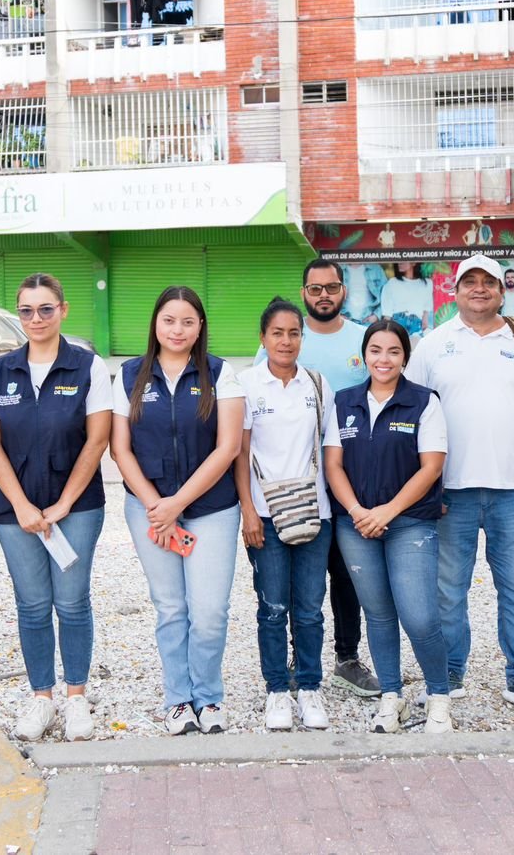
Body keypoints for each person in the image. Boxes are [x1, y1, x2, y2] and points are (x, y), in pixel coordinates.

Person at [406, 254, 514, 715]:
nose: (479, 289)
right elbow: (411, 416)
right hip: (449, 492)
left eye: (488, 282)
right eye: (469, 282)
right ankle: (449, 675)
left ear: (501, 290)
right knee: (448, 591)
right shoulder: (433, 345)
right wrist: (423, 488)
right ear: (454, 291)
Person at [0, 273, 112, 742]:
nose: (36, 318)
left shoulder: (88, 367)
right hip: (14, 513)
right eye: (27, 310)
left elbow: (97, 441)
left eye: (46, 309)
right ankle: (41, 698)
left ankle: (75, 698)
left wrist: (63, 504)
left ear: (63, 310)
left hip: (77, 509)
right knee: (32, 605)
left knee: (72, 603)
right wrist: (21, 506)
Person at [111, 287, 245, 735]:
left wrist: (177, 504)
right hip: (147, 508)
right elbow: (120, 449)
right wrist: (156, 506)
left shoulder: (221, 374)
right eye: (169, 320)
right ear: (155, 323)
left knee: (209, 612)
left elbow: (228, 447)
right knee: (170, 608)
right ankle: (178, 700)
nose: (177, 330)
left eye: (188, 321)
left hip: (210, 510)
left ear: (200, 326)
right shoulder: (129, 375)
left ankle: (208, 696)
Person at [253, 258, 380, 698]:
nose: (323, 295)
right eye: (315, 288)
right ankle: (297, 660)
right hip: (291, 489)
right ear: (304, 292)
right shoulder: (279, 344)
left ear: (343, 290)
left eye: (331, 287)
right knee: (294, 585)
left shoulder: (363, 338)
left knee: (345, 577)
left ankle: (347, 658)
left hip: (350, 481)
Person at [324, 320, 453, 733]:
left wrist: (386, 512)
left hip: (410, 523)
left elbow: (431, 467)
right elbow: (333, 464)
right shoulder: (344, 402)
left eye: (393, 351)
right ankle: (391, 698)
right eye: (375, 350)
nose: (384, 359)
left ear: (405, 357)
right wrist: (357, 510)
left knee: (419, 617)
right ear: (364, 355)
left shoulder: (423, 402)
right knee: (378, 615)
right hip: (355, 524)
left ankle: (439, 697)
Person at [236, 298, 336, 731]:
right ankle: (277, 688)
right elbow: (239, 455)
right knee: (273, 607)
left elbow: (330, 449)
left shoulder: (317, 384)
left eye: (294, 333)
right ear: (262, 337)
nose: (286, 341)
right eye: (277, 333)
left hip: (315, 512)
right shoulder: (246, 384)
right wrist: (247, 510)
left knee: (310, 608)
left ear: (302, 337)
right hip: (265, 514)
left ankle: (309, 686)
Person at [380, 263, 433, 335]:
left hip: (417, 326)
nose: (400, 263)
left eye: (404, 260)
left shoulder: (427, 283)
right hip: (397, 324)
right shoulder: (392, 283)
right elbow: (387, 315)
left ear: (414, 263)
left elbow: (426, 315)